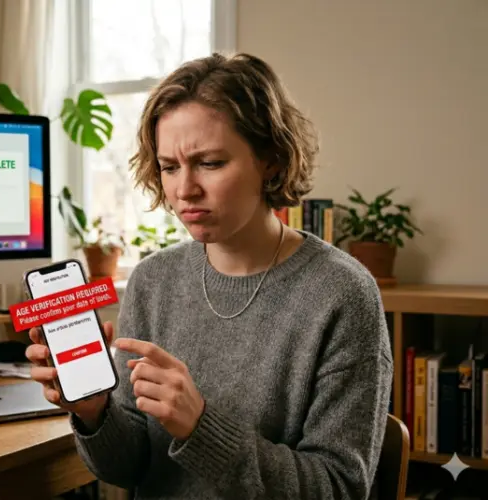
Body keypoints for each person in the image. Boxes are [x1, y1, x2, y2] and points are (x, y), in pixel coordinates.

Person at [26, 52, 393, 500]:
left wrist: (201, 427)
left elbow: (339, 489)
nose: (184, 190)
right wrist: (94, 412)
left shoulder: (342, 294)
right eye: (169, 167)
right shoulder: (152, 281)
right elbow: (128, 468)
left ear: (271, 161)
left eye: (211, 163)